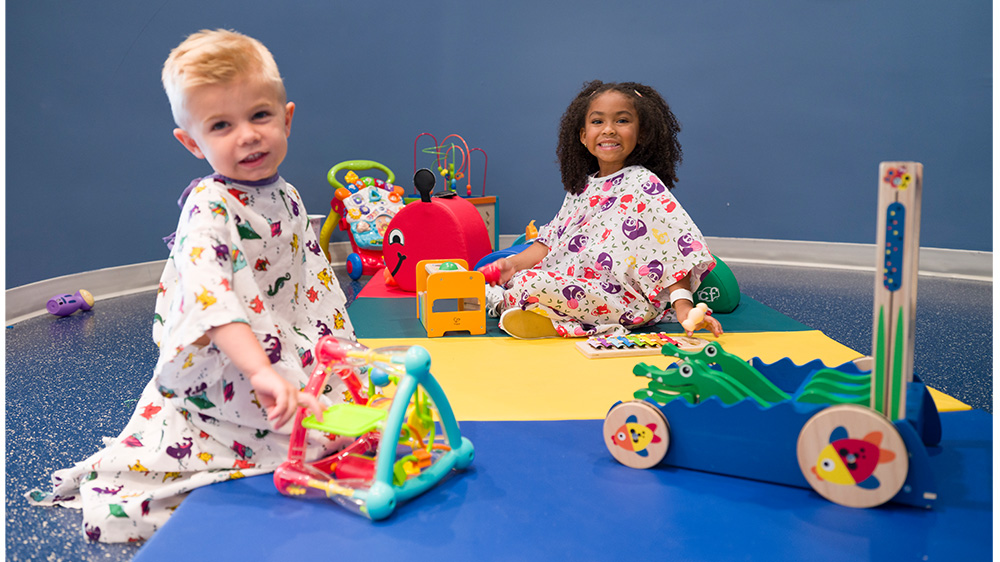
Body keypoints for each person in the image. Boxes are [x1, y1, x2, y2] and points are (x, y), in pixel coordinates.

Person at [26, 29, 356, 543]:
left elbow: (307, 278)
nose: (246, 135)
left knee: (339, 423)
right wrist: (260, 370)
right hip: (230, 358)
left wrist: (330, 351)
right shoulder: (209, 209)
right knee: (291, 435)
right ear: (192, 143)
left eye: (260, 116)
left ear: (286, 118)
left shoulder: (286, 194)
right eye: (221, 125)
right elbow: (212, 299)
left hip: (282, 340)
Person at [482, 80, 724, 339]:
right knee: (518, 279)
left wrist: (684, 307)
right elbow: (550, 241)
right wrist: (510, 264)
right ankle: (545, 319)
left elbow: (674, 248)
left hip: (624, 300)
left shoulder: (643, 183)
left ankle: (512, 307)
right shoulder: (581, 188)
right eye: (597, 122)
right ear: (583, 136)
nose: (609, 130)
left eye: (622, 121)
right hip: (580, 286)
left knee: (528, 284)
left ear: (641, 133)